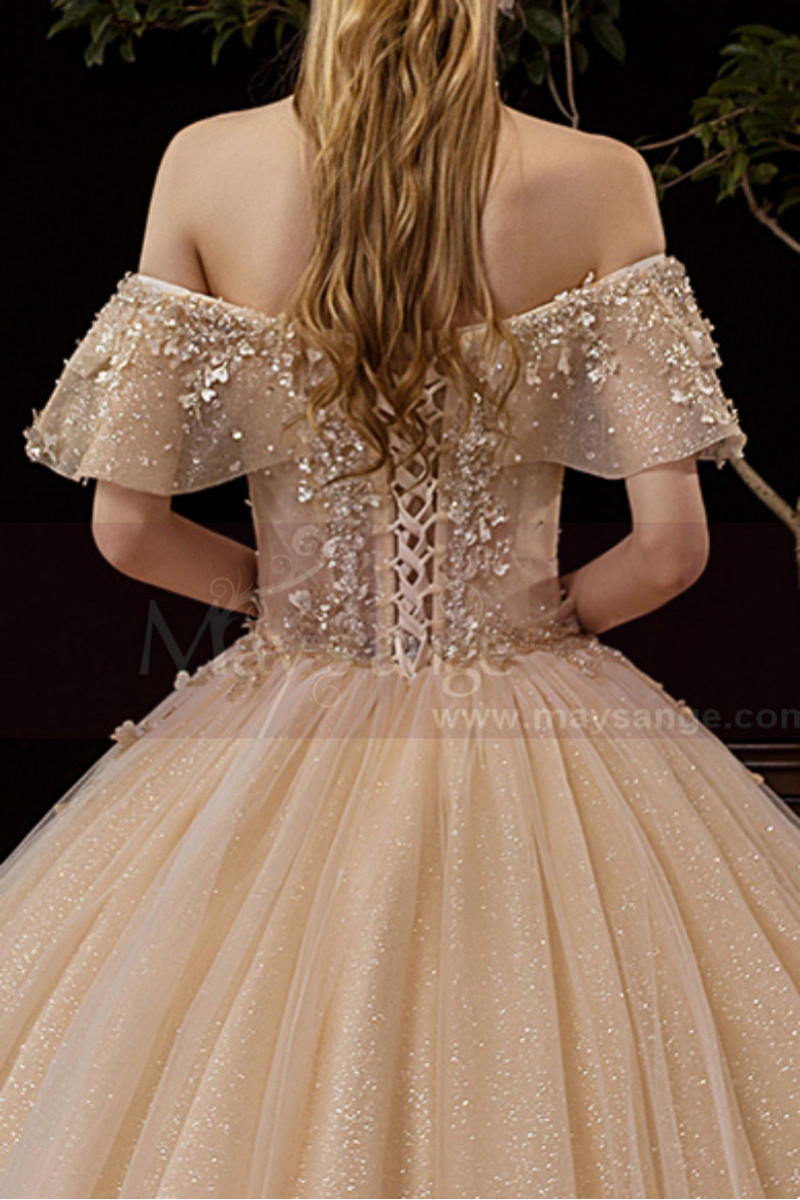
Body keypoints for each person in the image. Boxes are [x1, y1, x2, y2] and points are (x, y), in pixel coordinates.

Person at [2, 2, 799, 1196]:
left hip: (284, 706)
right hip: (533, 706)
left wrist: (291, 606)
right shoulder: (598, 179)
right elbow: (668, 550)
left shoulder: (206, 164)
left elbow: (128, 529)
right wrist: (540, 623)